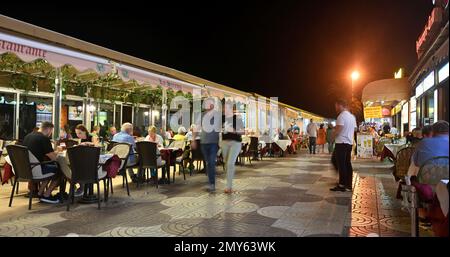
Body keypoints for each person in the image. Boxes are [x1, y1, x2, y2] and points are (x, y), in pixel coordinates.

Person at [22, 122, 62, 204]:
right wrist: (58, 152)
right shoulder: (44, 138)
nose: (50, 133)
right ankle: (47, 195)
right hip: (36, 168)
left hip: (26, 169)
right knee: (60, 170)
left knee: (50, 168)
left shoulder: (28, 136)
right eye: (51, 131)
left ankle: (40, 193)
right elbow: (53, 158)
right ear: (49, 129)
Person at [192, 99, 220, 192]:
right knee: (208, 163)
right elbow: (196, 127)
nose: (208, 105)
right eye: (207, 104)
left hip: (213, 143)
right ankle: (211, 182)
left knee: (211, 162)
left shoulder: (216, 114)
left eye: (210, 104)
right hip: (204, 143)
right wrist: (193, 140)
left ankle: (212, 184)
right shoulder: (202, 115)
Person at [330, 99, 357, 192]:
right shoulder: (352, 117)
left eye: (336, 106)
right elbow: (354, 129)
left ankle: (342, 185)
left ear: (341, 105)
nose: (336, 108)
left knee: (341, 164)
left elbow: (338, 130)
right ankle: (348, 184)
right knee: (347, 163)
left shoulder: (341, 116)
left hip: (341, 143)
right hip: (349, 143)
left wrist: (332, 138)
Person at [221, 105, 244, 194]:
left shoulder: (237, 118)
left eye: (227, 108)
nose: (224, 110)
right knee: (227, 164)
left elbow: (242, 131)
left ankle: (229, 187)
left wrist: (233, 130)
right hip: (224, 143)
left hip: (236, 143)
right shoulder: (222, 118)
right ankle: (229, 185)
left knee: (230, 163)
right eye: (224, 108)